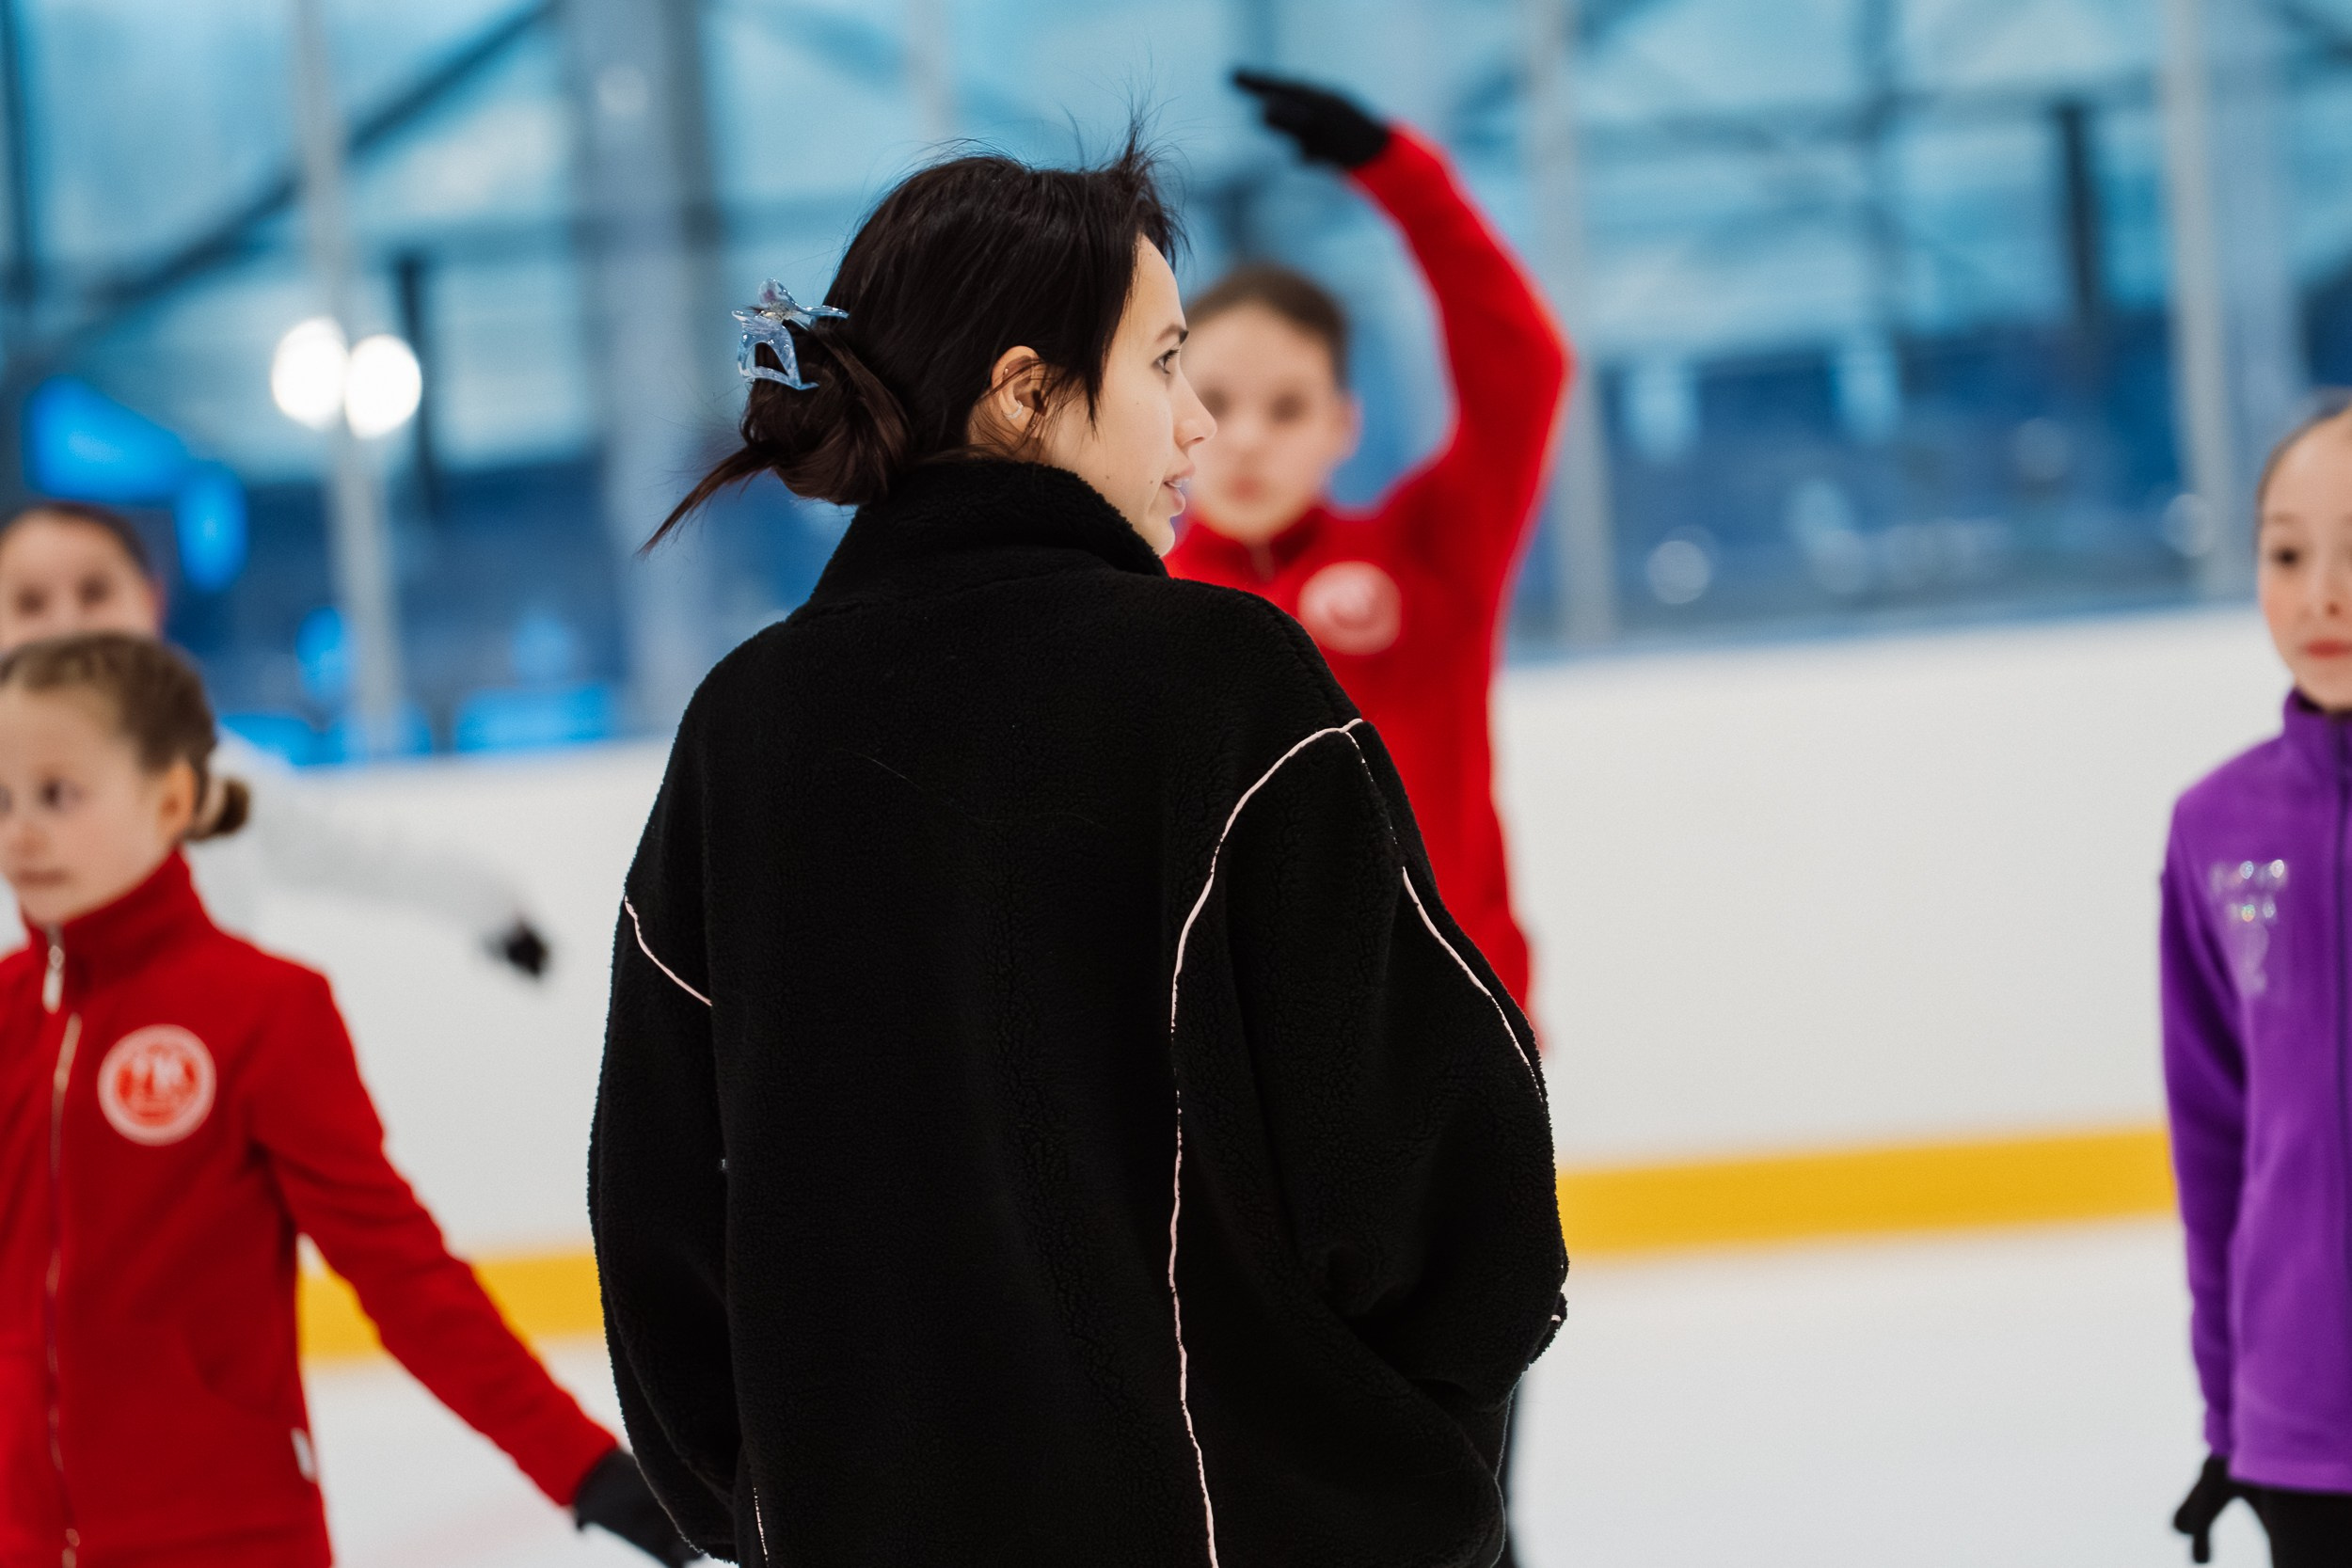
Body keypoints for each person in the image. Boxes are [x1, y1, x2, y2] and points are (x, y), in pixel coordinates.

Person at [591, 133, 1566, 1567]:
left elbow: (656, 1206)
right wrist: (1393, 1496)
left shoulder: (744, 724)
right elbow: (1446, 1182)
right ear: (1028, 392)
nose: (1198, 430)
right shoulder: (1226, 680)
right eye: (1169, 364)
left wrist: (778, 1506)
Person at [0, 631, 691, 1568]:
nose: (22, 832)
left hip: (228, 1539)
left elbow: (401, 1271)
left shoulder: (261, 1011)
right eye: (2, 799)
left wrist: (579, 1464)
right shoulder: (8, 1016)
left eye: (58, 795)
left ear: (169, 796)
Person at [1165, 71, 1569, 1010]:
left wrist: (1400, 177)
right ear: (1171, 413)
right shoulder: (1138, 600)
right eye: (1218, 402)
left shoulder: (1430, 553)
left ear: (1343, 423)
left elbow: (1521, 366)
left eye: (1287, 405)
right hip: (1246, 1053)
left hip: (1455, 1013)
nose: (1250, 436)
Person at [0, 500, 551, 973]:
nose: (66, 623)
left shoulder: (220, 778)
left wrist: (497, 909)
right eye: (31, 602)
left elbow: (363, 853)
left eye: (94, 592)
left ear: (150, 601)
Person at [2164, 402, 2352, 1567]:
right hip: (2302, 1435)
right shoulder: (2214, 825)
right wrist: (2231, 1414)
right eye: (2287, 551)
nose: (2320, 591)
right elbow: (2213, 1141)